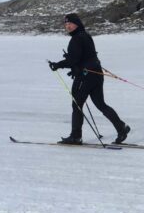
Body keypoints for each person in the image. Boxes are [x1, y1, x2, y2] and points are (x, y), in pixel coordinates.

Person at [48, 13, 130, 145]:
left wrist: (58, 65)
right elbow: (84, 56)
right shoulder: (86, 36)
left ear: (77, 24)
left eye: (70, 23)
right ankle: (121, 127)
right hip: (97, 74)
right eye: (66, 24)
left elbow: (73, 60)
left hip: (85, 77)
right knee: (100, 104)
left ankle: (75, 137)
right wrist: (74, 64)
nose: (67, 26)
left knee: (77, 105)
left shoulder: (76, 39)